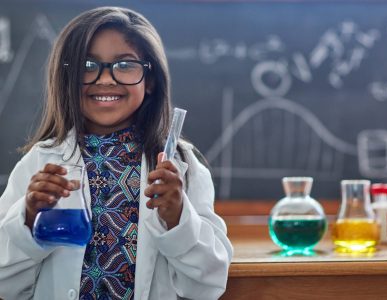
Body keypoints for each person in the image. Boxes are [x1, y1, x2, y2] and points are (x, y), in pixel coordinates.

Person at [0, 6, 232, 300]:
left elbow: (207, 286)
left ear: (150, 81)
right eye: (87, 65)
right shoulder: (40, 162)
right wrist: (28, 219)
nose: (106, 79)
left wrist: (178, 219)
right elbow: (5, 284)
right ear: (66, 77)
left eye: (125, 65)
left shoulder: (181, 166)